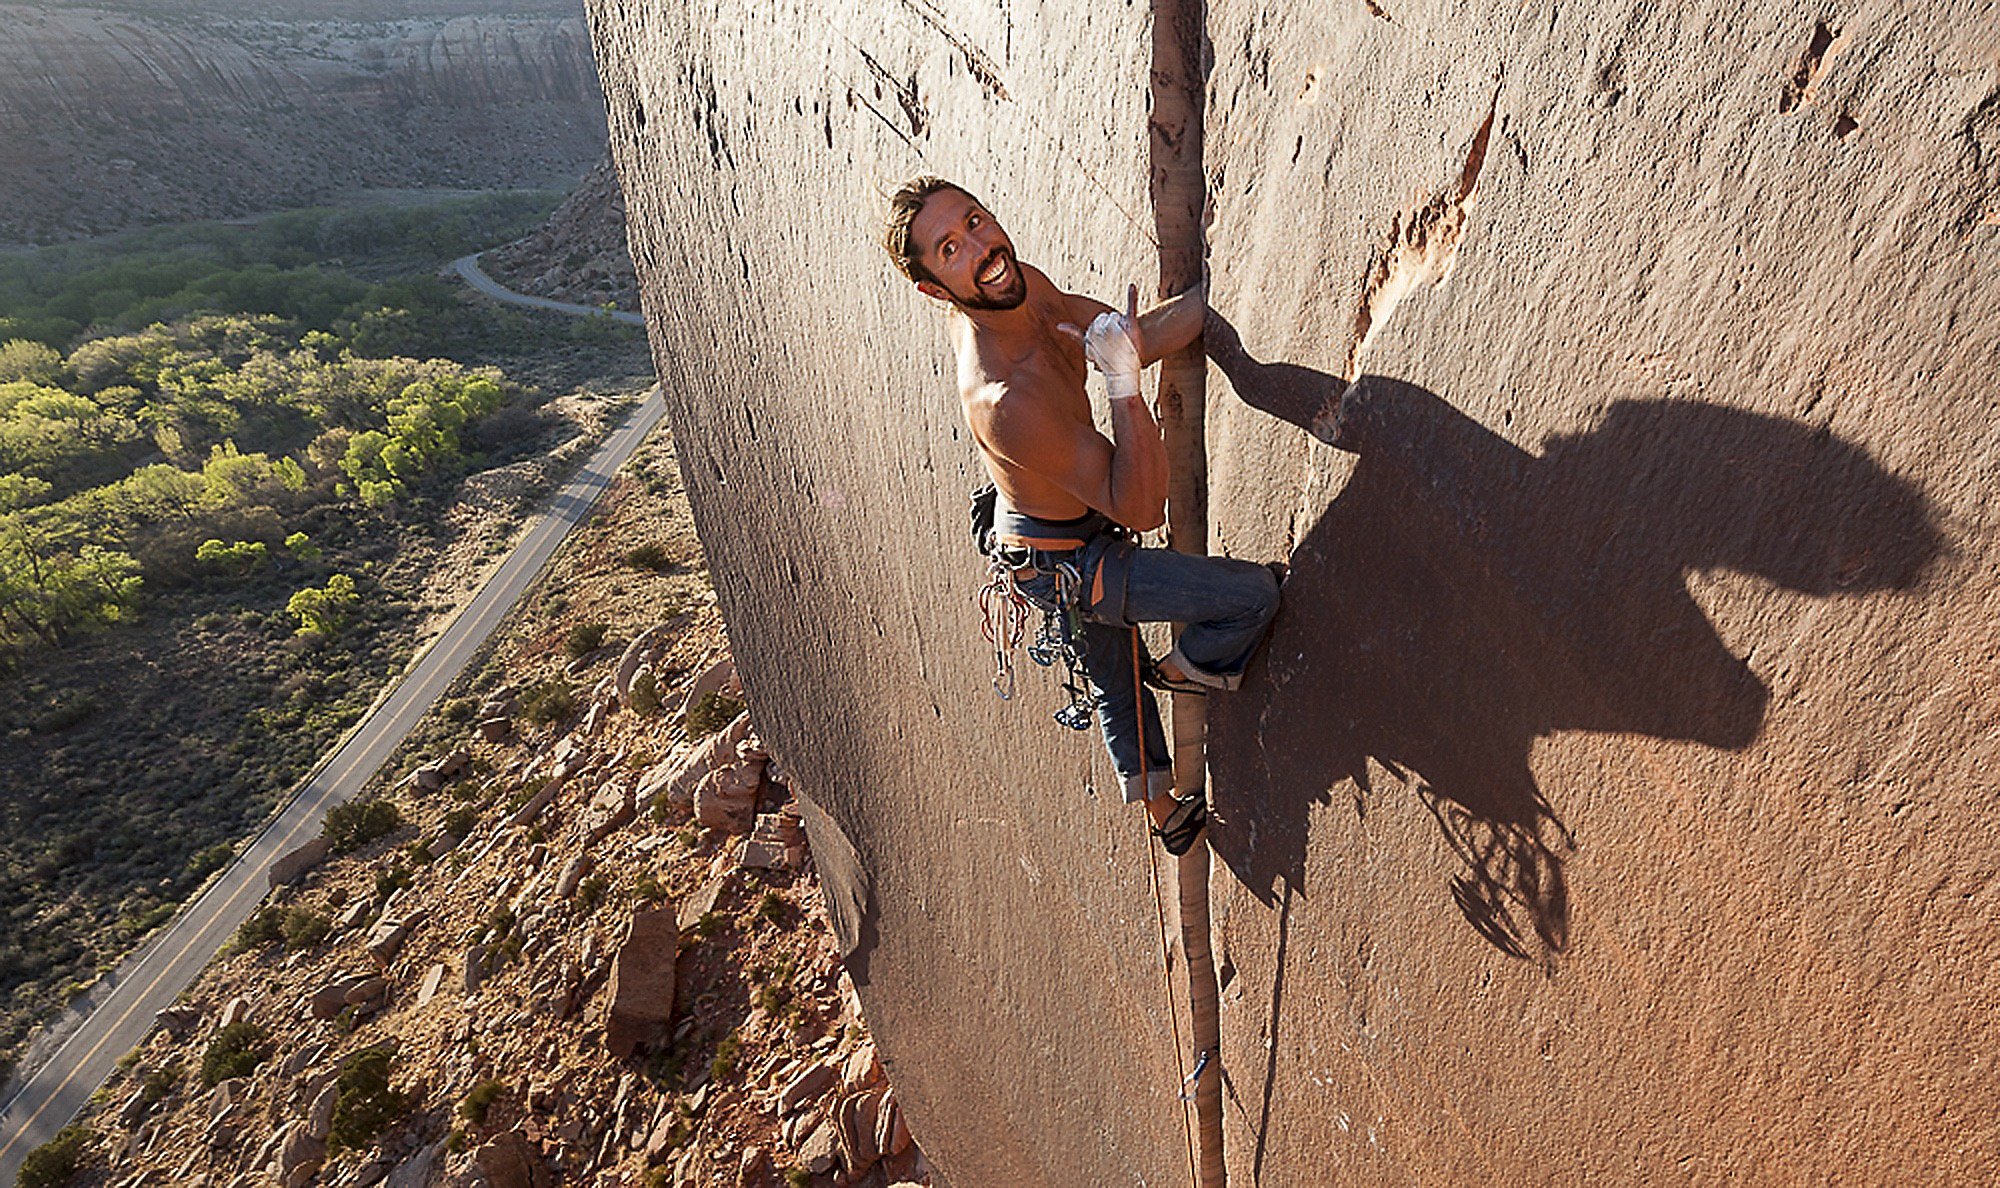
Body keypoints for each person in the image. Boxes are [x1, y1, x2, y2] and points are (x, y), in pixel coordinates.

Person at [882, 176, 1281, 854]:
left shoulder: (1016, 283)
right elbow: (1141, 506)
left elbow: (1126, 338)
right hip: (1066, 560)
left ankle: (1164, 762)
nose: (981, 246)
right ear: (934, 290)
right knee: (1252, 598)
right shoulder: (1003, 398)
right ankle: (1190, 673)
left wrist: (1220, 289)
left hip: (1053, 516)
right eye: (951, 248)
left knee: (1111, 669)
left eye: (975, 221)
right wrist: (1122, 380)